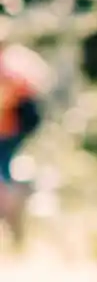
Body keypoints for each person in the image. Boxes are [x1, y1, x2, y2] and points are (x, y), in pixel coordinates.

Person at [0, 42, 47, 252]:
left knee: (4, 175)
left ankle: (11, 216)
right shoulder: (18, 60)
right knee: (6, 172)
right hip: (14, 129)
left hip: (8, 130)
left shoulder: (8, 67)